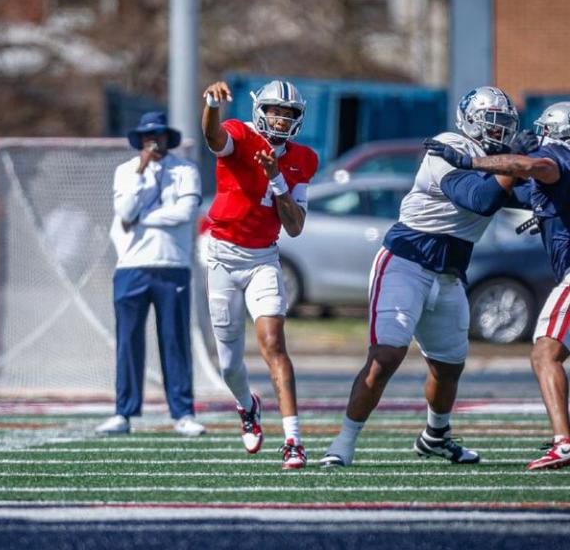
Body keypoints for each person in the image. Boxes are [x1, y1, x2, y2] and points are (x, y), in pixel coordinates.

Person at [321, 86, 523, 468]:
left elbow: (529, 195)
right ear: (468, 121)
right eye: (490, 122)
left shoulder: (498, 160)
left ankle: (435, 436)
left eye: (503, 125)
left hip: (449, 273)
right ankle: (343, 442)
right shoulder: (448, 147)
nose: (497, 132)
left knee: (448, 367)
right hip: (406, 261)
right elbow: (477, 198)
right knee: (387, 355)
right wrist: (517, 164)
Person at [427, 101, 570, 470]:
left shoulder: (555, 159)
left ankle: (563, 443)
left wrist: (468, 163)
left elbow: (534, 167)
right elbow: (511, 193)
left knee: (545, 353)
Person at [201, 80, 318, 470]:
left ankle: (293, 441)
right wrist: (212, 106)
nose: (280, 119)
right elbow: (213, 137)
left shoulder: (302, 158)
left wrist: (277, 178)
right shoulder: (240, 134)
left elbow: (296, 226)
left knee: (273, 344)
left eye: (288, 113)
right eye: (274, 111)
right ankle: (246, 405)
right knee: (230, 364)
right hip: (221, 257)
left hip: (263, 259)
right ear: (260, 111)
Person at [96, 111, 206, 437]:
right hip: (132, 266)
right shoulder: (125, 172)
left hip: (172, 265)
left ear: (167, 138)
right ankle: (124, 412)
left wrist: (145, 219)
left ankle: (183, 412)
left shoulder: (185, 170)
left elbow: (184, 214)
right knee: (128, 341)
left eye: (157, 135)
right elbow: (125, 211)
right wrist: (141, 174)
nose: (152, 142)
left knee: (174, 340)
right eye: (146, 137)